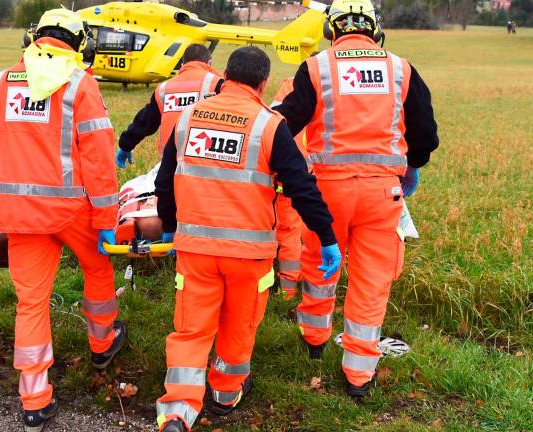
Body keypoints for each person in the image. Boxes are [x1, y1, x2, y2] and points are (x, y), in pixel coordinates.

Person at [153, 46, 341, 432]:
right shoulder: (269, 124)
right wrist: (326, 236)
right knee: (239, 325)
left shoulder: (188, 118)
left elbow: (163, 181)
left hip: (196, 250)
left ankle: (178, 411)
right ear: (263, 82)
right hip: (249, 254)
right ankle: (226, 391)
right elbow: (302, 187)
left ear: (225, 73)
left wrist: (172, 227)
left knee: (191, 329)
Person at [0, 9, 126, 430]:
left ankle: (34, 399)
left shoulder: (1, 81)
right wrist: (106, 215)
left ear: (35, 38)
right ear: (80, 43)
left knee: (31, 303)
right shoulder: (80, 84)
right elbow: (100, 159)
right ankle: (102, 343)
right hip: (73, 211)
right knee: (98, 269)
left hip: (18, 213)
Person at [273, 0, 439, 397]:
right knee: (371, 280)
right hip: (384, 193)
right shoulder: (401, 68)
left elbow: (284, 125)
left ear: (332, 30)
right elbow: (425, 133)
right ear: (375, 29)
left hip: (327, 191)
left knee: (319, 263)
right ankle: (359, 376)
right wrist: (411, 165)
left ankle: (314, 340)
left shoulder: (317, 67)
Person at [117, 44, 223, 167]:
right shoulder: (218, 84)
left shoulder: (164, 88)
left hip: (170, 162)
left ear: (183, 64)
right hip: (206, 160)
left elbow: (145, 121)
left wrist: (126, 145)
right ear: (209, 63)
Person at [271, 77, 310, 299]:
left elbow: (275, 123)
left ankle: (286, 291)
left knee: (287, 230)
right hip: (332, 176)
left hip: (290, 173)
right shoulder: (339, 82)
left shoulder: (292, 84)